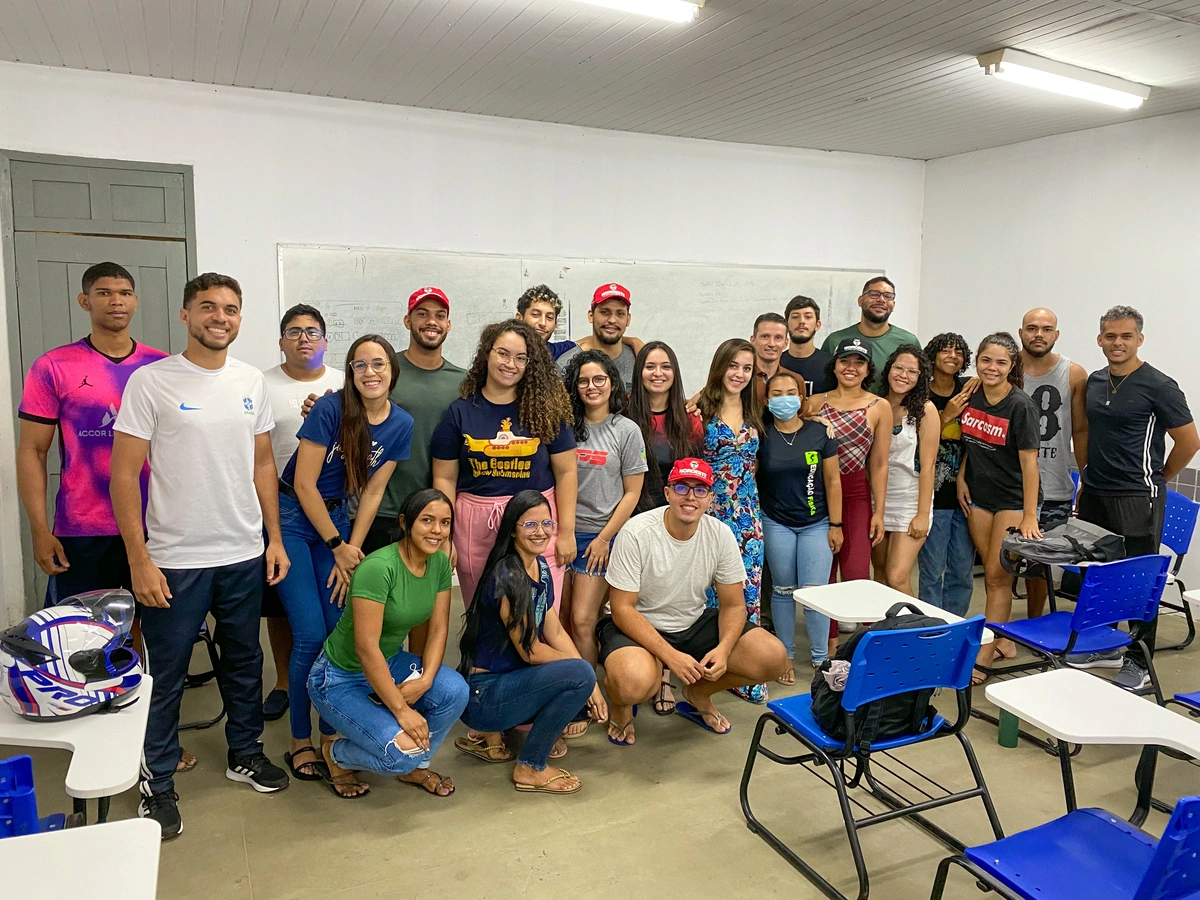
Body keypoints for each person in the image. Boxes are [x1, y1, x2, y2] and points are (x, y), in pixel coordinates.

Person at [111, 272, 291, 840]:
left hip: (242, 551)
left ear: (241, 318)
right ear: (186, 315)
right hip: (174, 558)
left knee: (243, 663)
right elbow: (122, 474)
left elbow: (263, 463)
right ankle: (157, 783)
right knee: (164, 675)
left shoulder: (249, 381)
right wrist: (139, 559)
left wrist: (274, 539)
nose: (221, 316)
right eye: (208, 307)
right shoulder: (152, 382)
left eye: (231, 308)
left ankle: (245, 754)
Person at [275, 334, 414, 785]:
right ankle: (300, 740)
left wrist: (350, 551)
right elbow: (304, 484)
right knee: (310, 633)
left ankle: (332, 736)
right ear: (350, 373)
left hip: (336, 522)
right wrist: (338, 546)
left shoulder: (401, 424)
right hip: (296, 518)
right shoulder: (330, 409)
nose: (369, 373)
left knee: (340, 632)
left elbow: (372, 490)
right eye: (359, 365)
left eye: (378, 364)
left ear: (393, 370)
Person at [598, 458, 788, 744]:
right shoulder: (636, 533)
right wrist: (670, 657)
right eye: (682, 487)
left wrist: (723, 650)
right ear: (667, 493)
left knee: (773, 658)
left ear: (710, 498)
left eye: (700, 490)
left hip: (691, 622)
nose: (690, 497)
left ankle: (699, 692)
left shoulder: (720, 534)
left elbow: (734, 605)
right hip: (635, 624)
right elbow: (622, 609)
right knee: (632, 682)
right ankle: (623, 707)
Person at [17, 262, 167, 604]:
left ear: (136, 301)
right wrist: (40, 531)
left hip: (155, 522)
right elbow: (32, 451)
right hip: (83, 526)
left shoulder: (161, 367)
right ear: (84, 301)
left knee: (150, 631)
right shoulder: (54, 366)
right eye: (104, 293)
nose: (117, 301)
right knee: (84, 635)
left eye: (125, 293)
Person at [1070, 306, 1199, 690]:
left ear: (1139, 339)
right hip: (1096, 492)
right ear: (1099, 339)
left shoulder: (1159, 385)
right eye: (1110, 336)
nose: (1117, 343)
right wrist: (1086, 477)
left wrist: (1157, 479)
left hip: (1137, 496)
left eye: (1126, 336)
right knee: (1100, 573)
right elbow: (1084, 431)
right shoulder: (1094, 381)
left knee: (1139, 579)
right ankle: (1108, 645)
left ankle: (1138, 660)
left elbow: (1189, 441)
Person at [308, 489, 468, 799]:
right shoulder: (379, 568)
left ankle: (415, 766)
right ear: (405, 523)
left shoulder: (438, 564)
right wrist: (400, 708)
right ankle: (335, 754)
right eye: (427, 520)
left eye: (445, 522)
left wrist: (426, 680)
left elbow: (438, 630)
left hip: (390, 662)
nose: (437, 530)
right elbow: (366, 648)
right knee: (399, 753)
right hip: (339, 676)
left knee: (455, 691)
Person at [455, 491, 607, 792]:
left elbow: (556, 632)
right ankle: (530, 766)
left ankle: (496, 738)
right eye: (530, 525)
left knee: (581, 683)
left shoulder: (540, 567)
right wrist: (585, 677)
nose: (541, 531)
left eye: (547, 523)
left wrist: (594, 686)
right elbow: (531, 652)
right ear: (512, 528)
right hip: (482, 697)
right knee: (579, 675)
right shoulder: (508, 575)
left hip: (506, 683)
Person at [431, 320, 577, 608]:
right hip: (476, 524)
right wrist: (445, 534)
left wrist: (567, 532)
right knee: (484, 616)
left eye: (521, 358)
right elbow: (444, 479)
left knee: (540, 617)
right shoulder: (459, 412)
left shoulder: (545, 410)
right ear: (487, 353)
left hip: (538, 523)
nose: (511, 364)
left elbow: (567, 471)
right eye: (503, 354)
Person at [260, 304, 345, 722]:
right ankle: (282, 681)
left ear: (326, 341)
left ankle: (329, 691)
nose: (304, 338)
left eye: (313, 331)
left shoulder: (345, 385)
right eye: (294, 331)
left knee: (328, 611)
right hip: (280, 506)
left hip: (331, 510)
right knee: (282, 607)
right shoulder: (262, 384)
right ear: (281, 342)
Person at [956, 332, 1042, 685]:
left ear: (1012, 367)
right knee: (992, 576)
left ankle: (986, 653)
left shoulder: (1020, 406)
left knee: (996, 575)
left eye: (1001, 362)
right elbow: (968, 443)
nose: (992, 367)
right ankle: (1003, 637)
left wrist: (1030, 513)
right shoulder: (971, 392)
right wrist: (961, 478)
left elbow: (1030, 464)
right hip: (978, 495)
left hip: (1011, 500)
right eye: (986, 360)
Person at [358, 287, 466, 557]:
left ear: (448, 325)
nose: (431, 321)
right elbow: (349, 411)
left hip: (433, 515)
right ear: (408, 321)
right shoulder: (382, 370)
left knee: (423, 598)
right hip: (381, 509)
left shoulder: (462, 382)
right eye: (422, 314)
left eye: (440, 315)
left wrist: (448, 528)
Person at [626, 340, 703, 714]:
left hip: (677, 516)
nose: (658, 373)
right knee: (640, 597)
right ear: (638, 373)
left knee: (672, 595)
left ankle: (668, 674)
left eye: (665, 366)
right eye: (649, 366)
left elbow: (694, 475)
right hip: (634, 516)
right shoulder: (623, 413)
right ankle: (646, 668)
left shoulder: (690, 420)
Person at [559, 350, 647, 665]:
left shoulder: (626, 430)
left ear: (612, 383)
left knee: (584, 620)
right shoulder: (565, 425)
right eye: (583, 381)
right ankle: (572, 687)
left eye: (599, 379)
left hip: (601, 538)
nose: (591, 386)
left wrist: (605, 538)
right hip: (563, 534)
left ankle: (590, 696)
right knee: (562, 620)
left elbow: (632, 492)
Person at [757, 370, 842, 683]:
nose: (784, 399)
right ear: (767, 400)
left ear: (802, 398)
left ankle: (821, 659)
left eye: (790, 392)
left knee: (814, 593)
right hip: (775, 521)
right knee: (782, 591)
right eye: (776, 394)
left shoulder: (820, 433)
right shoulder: (761, 435)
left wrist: (836, 524)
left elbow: (832, 481)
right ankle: (786, 656)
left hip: (816, 523)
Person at [696, 338, 768, 702]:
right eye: (733, 366)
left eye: (747, 368)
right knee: (709, 591)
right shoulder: (699, 411)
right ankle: (707, 665)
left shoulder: (757, 410)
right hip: (710, 514)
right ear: (720, 366)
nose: (739, 374)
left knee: (747, 590)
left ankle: (745, 667)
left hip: (748, 518)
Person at [1019, 308, 1088, 618]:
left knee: (1039, 563)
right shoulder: (1004, 368)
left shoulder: (1073, 374)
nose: (1039, 334)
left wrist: (1085, 476)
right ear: (1021, 332)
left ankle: (1034, 622)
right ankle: (996, 630)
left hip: (1054, 486)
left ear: (1056, 335)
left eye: (1046, 329)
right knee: (999, 563)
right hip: (1008, 484)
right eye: (1032, 328)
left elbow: (1081, 429)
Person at [811, 338, 890, 603]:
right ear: (834, 366)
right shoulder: (813, 403)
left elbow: (878, 463)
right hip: (819, 495)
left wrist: (879, 511)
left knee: (857, 572)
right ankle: (829, 644)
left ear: (868, 370)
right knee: (824, 575)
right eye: (845, 361)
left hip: (856, 495)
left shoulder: (879, 406)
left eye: (859, 363)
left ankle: (866, 641)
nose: (851, 368)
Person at [917, 333, 978, 616]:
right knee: (932, 570)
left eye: (958, 351)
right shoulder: (921, 394)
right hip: (933, 493)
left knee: (963, 569)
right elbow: (917, 444)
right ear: (932, 355)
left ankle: (956, 624)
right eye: (945, 350)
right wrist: (947, 415)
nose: (952, 356)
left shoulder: (970, 390)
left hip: (965, 492)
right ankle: (932, 627)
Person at [872, 345, 939, 595]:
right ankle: (885, 631)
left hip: (910, 499)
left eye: (912, 371)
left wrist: (922, 514)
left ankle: (916, 630)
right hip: (878, 498)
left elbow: (929, 464)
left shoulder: (925, 410)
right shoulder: (876, 405)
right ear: (888, 369)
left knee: (897, 576)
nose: (903, 375)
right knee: (879, 575)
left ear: (921, 377)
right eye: (899, 367)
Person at [820, 277, 919, 394]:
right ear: (860, 300)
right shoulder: (835, 340)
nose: (881, 300)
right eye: (874, 294)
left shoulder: (908, 341)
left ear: (893, 304)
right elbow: (825, 383)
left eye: (888, 296)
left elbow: (919, 383)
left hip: (892, 411)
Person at [516, 283, 642, 364]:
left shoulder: (555, 351)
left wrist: (635, 343)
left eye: (549, 317)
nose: (542, 323)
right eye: (605, 312)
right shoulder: (566, 362)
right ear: (590, 316)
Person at [555, 283, 640, 390]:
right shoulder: (565, 365)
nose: (612, 320)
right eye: (605, 312)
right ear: (591, 316)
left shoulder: (639, 361)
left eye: (620, 314)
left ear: (628, 319)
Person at [779, 295, 835, 402]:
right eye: (795, 317)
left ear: (817, 325)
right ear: (786, 324)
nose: (801, 321)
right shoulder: (776, 362)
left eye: (808, 317)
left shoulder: (832, 365)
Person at [749, 312, 788, 404]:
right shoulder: (741, 379)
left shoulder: (795, 381)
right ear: (753, 340)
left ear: (786, 343)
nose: (771, 344)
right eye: (765, 336)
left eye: (778, 338)